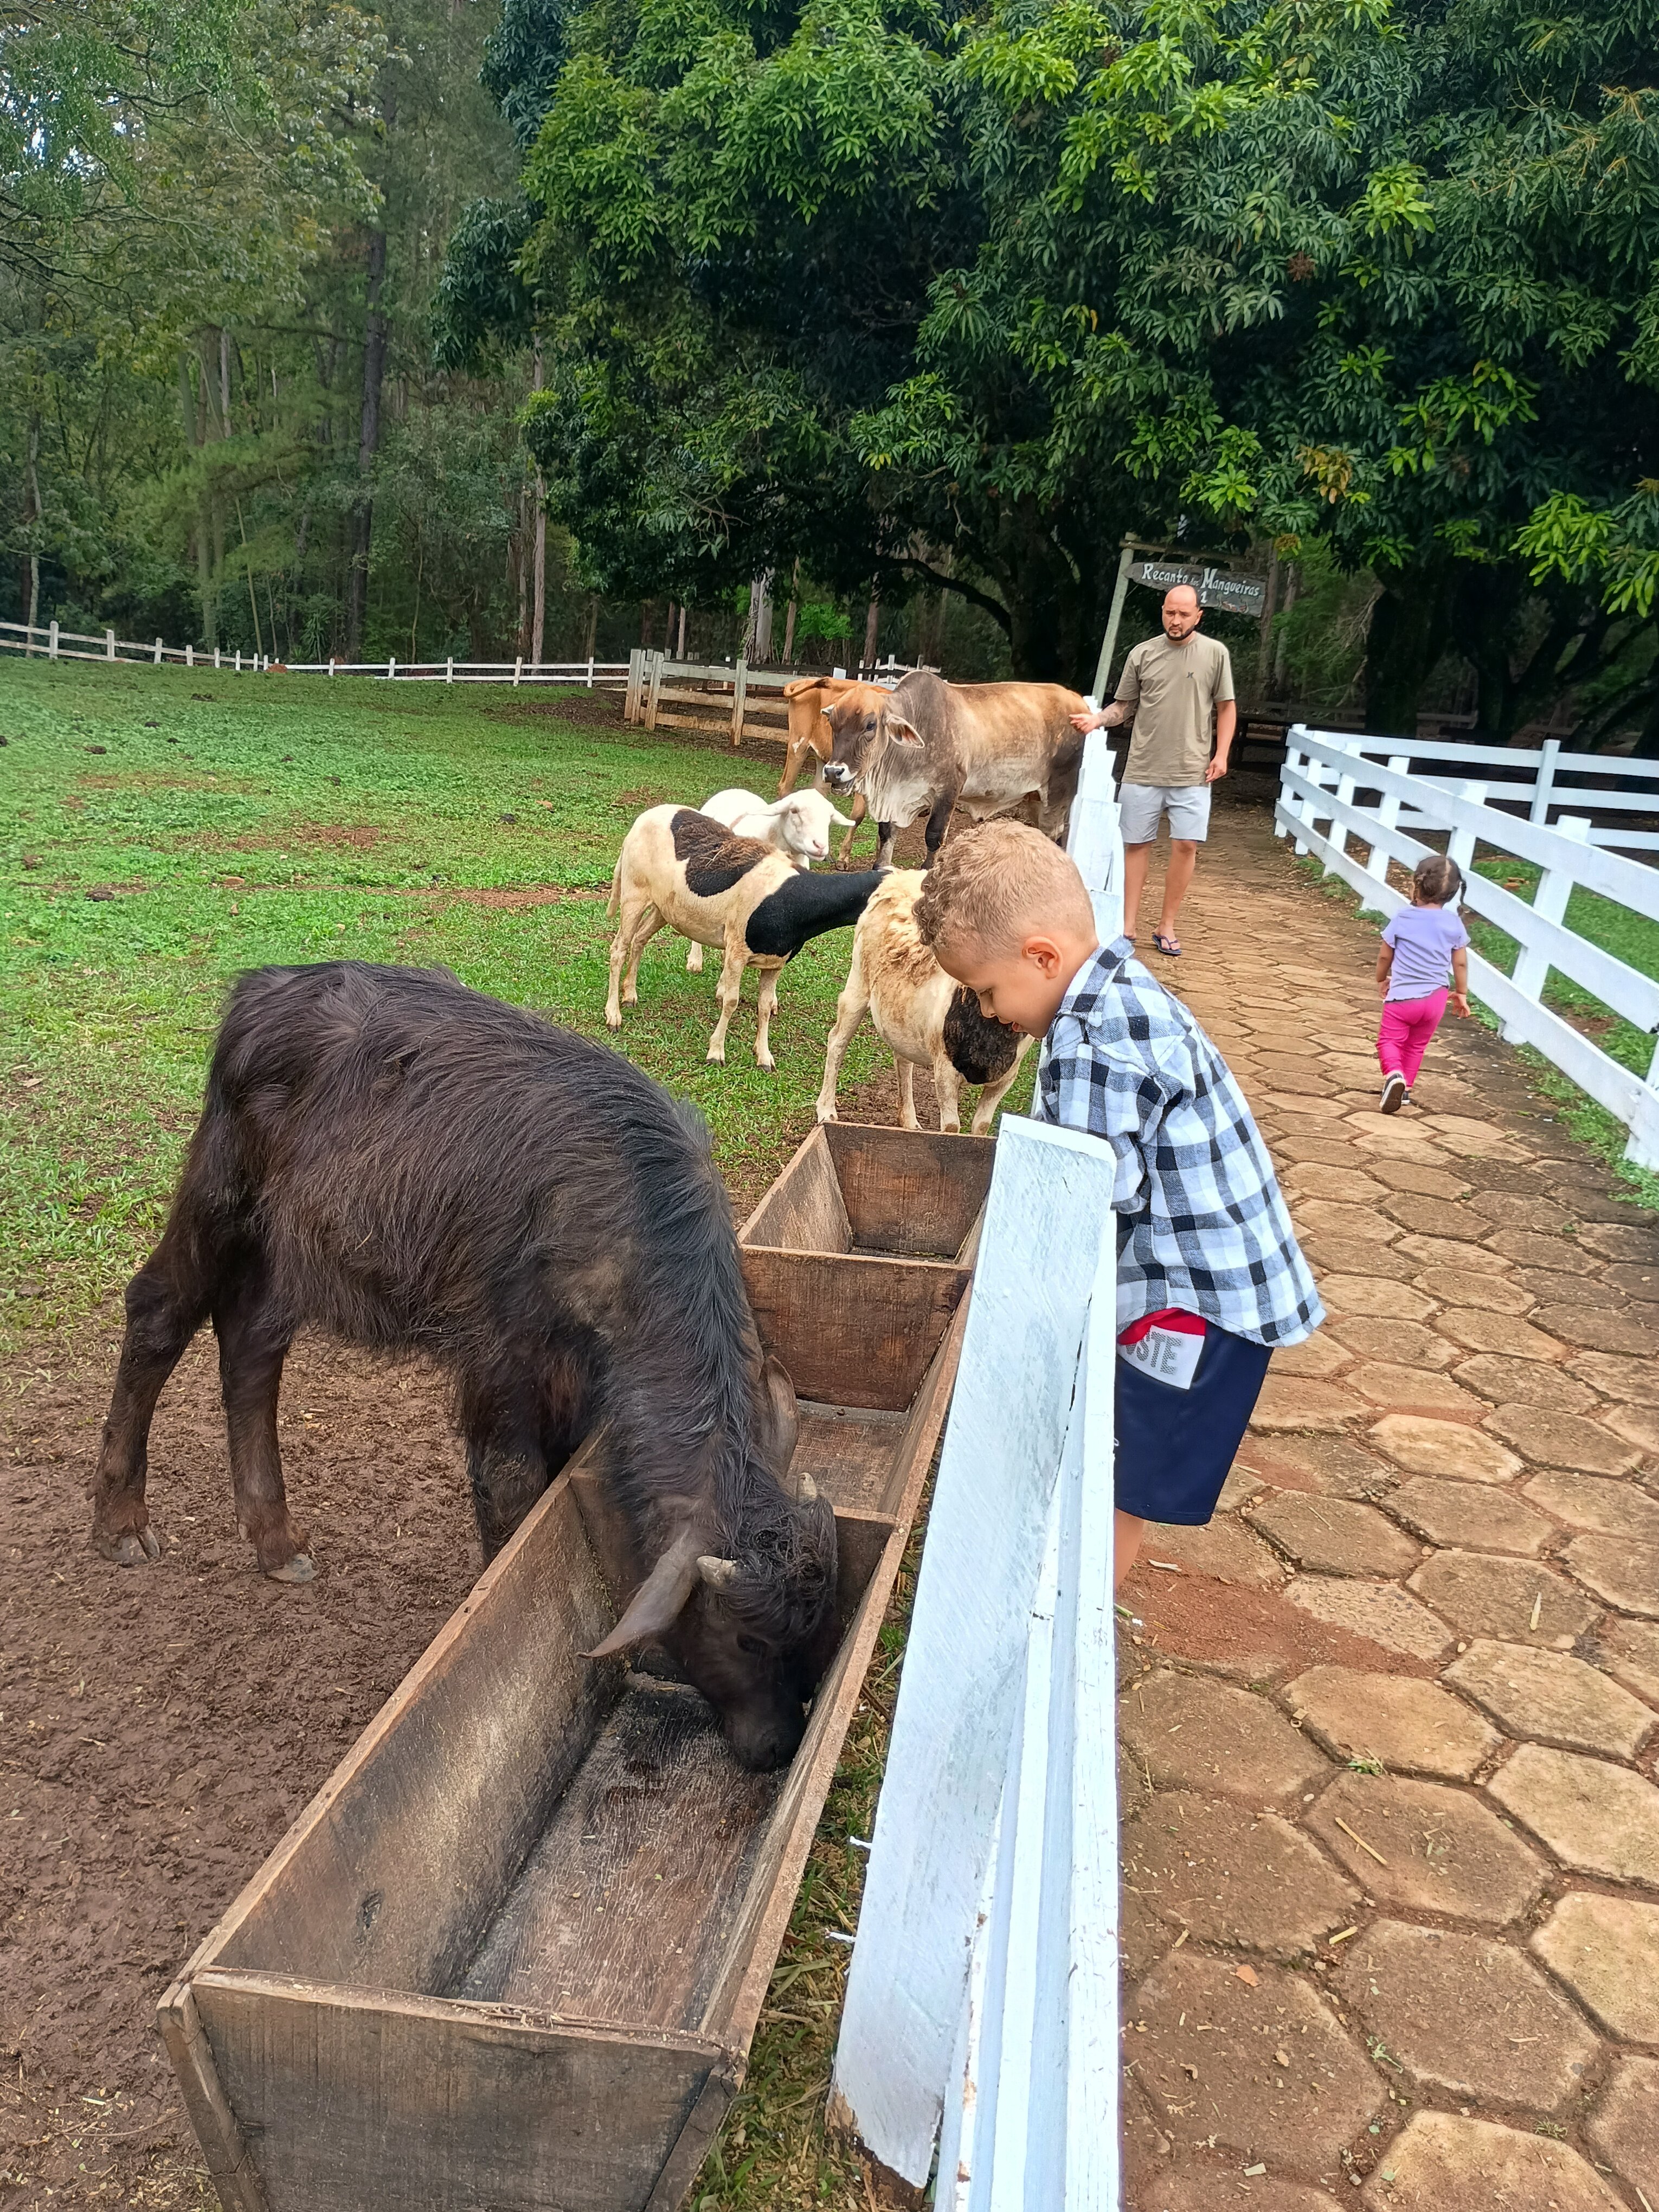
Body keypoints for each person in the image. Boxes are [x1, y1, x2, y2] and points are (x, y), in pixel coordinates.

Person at [913, 819, 1322, 1589]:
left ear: (1042, 958)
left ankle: (1069, 1612)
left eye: (988, 991)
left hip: (1195, 1303)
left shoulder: (1092, 1038)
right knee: (1111, 1451)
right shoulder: (1111, 994)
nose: (991, 1013)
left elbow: (1088, 1196)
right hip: (1194, 1277)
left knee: (1121, 1479)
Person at [1070, 582, 1235, 959]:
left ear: (1198, 616)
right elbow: (1121, 707)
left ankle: (1167, 925)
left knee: (1187, 845)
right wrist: (1097, 720)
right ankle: (1127, 926)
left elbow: (1226, 707)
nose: (1175, 621)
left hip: (1193, 771)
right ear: (1163, 611)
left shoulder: (1215, 654)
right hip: (1143, 767)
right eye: (1169, 613)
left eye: (1183, 614)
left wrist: (1221, 754)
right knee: (1136, 845)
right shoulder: (1142, 655)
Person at [1377, 853, 1470, 1113]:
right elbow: (1460, 963)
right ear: (1452, 893)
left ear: (1416, 885)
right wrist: (1461, 992)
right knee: (1417, 1045)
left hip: (1403, 997)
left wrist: (1381, 978)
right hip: (1436, 999)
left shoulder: (1404, 918)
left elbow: (1386, 954)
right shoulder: (1454, 923)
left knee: (1389, 1042)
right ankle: (1405, 1090)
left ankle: (1394, 1075)